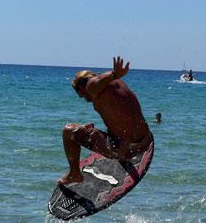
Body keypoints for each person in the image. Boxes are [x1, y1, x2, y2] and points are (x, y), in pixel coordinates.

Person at [59, 56, 152, 185]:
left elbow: (94, 82)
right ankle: (122, 148)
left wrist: (114, 73)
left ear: (81, 88)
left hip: (127, 150)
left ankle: (74, 174)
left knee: (68, 131)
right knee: (86, 130)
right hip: (145, 141)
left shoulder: (91, 85)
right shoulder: (118, 84)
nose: (83, 98)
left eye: (80, 95)